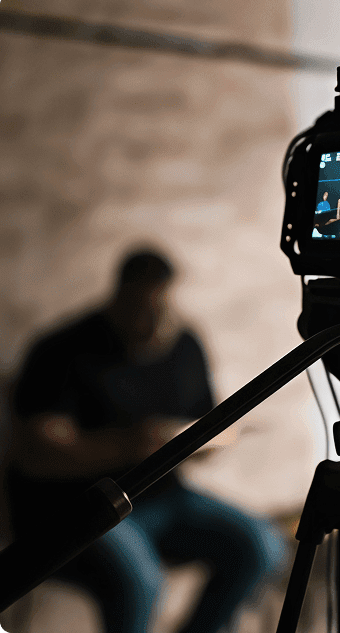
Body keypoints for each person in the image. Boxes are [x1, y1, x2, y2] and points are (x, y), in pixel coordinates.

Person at [6, 249, 286, 633]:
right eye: (142, 311)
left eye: (163, 311)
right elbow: (37, 454)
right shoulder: (61, 350)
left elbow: (204, 423)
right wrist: (132, 445)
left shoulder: (184, 344)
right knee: (142, 583)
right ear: (118, 296)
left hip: (162, 497)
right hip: (75, 508)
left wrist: (205, 445)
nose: (154, 326)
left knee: (261, 546)